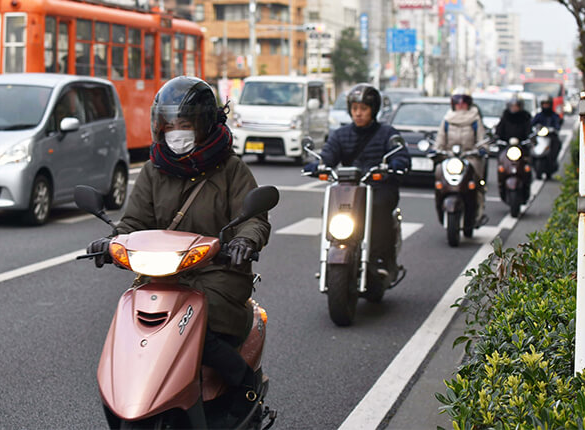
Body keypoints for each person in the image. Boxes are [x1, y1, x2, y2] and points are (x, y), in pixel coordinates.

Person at [86, 77, 271, 408]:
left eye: (184, 124)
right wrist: (111, 241)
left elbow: (254, 218)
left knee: (202, 329)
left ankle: (246, 388)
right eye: (169, 124)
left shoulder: (231, 170)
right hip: (161, 274)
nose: (176, 132)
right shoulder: (153, 171)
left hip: (218, 272)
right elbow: (133, 223)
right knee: (132, 329)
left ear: (205, 125)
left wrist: (245, 242)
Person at [303, 83, 410, 277]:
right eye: (354, 109)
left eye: (363, 109)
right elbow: (328, 156)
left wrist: (396, 163)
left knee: (378, 207)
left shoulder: (387, 133)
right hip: (350, 189)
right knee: (330, 208)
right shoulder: (341, 135)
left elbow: (400, 155)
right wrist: (317, 165)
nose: (358, 113)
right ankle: (333, 248)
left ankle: (380, 259)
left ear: (373, 110)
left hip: (378, 187)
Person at [435, 90, 488, 225]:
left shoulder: (475, 119)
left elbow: (482, 139)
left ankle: (479, 208)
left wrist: (482, 149)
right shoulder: (447, 119)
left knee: (476, 182)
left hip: (469, 156)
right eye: (457, 101)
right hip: (450, 158)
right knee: (439, 177)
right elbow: (440, 139)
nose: (460, 104)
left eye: (464, 101)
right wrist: (436, 150)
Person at [530, 93, 562, 169]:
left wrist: (554, 128)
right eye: (544, 104)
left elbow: (557, 124)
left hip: (550, 135)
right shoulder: (539, 115)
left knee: (557, 144)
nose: (545, 106)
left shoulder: (554, 115)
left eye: (547, 104)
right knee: (530, 143)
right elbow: (532, 124)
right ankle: (532, 160)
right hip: (539, 135)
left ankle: (553, 160)